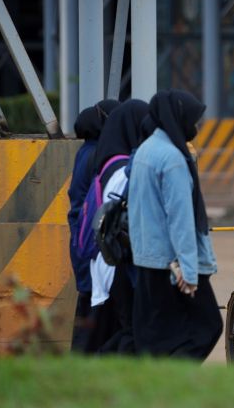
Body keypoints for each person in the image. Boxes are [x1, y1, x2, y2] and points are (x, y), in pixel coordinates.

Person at [128, 89, 223, 360]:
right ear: (178, 118)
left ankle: (158, 387)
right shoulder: (172, 159)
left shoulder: (145, 150)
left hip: (148, 261)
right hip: (173, 266)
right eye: (193, 121)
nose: (195, 128)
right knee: (207, 327)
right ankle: (173, 380)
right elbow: (181, 219)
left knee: (159, 335)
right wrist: (189, 273)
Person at [87, 99, 150, 354]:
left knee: (111, 332)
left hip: (104, 260)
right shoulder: (123, 168)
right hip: (117, 264)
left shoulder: (105, 161)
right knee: (128, 332)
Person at [67, 99, 119, 352]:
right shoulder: (98, 155)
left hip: (82, 243)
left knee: (89, 312)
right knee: (92, 317)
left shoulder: (86, 151)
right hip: (93, 247)